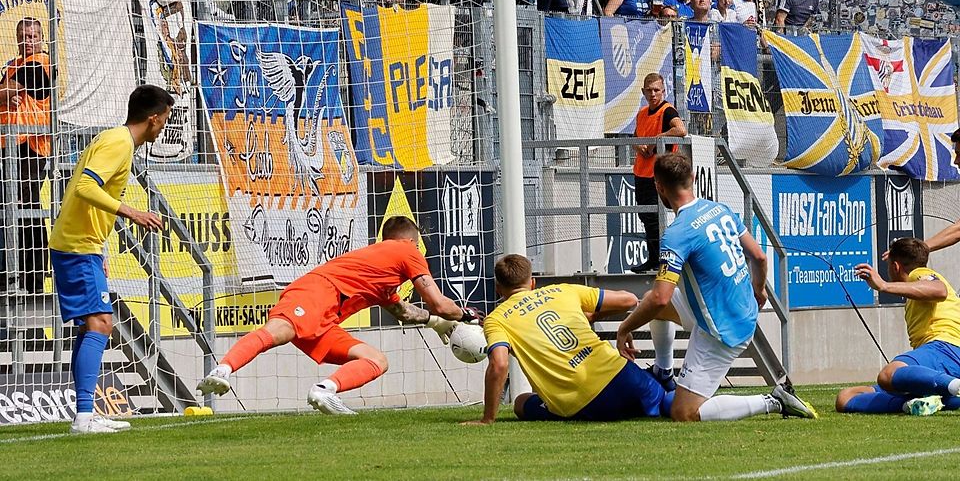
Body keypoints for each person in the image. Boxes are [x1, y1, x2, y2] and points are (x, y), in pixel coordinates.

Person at [197, 216, 482, 415]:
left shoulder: (381, 273)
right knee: (278, 332)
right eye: (417, 244)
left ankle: (324, 391)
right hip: (315, 293)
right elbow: (440, 303)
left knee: (376, 360)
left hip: (327, 319)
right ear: (411, 241)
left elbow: (403, 311)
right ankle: (222, 369)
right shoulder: (406, 250)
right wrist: (464, 314)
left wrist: (435, 323)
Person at [616, 153, 819, 422]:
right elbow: (758, 256)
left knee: (683, 413)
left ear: (659, 187)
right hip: (740, 307)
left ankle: (773, 400)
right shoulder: (720, 209)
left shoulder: (677, 233)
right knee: (648, 302)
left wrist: (624, 328)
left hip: (722, 329)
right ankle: (664, 372)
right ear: (694, 178)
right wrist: (759, 290)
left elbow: (662, 297)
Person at [49, 84, 173, 433]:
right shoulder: (118, 143)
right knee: (102, 323)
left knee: (91, 325)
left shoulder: (115, 140)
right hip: (76, 245)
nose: (163, 127)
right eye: (163, 120)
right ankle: (84, 417)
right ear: (152, 120)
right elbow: (84, 188)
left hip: (83, 244)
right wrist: (132, 212)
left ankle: (84, 413)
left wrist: (101, 248)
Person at [462, 254, 667, 424]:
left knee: (520, 402)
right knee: (668, 402)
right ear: (532, 282)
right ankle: (664, 375)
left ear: (498, 288)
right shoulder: (562, 289)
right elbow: (629, 299)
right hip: (622, 377)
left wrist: (487, 418)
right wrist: (595, 316)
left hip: (581, 403)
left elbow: (499, 365)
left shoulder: (496, 319)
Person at [836, 238, 960, 416]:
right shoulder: (914, 286)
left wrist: (884, 286)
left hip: (946, 348)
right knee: (845, 397)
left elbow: (939, 290)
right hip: (940, 363)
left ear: (895, 266)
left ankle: (955, 387)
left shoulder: (918, 274)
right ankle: (911, 405)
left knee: (888, 374)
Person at [0, 17, 52, 293]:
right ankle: (12, 272)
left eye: (33, 36)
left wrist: (6, 92)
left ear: (42, 38)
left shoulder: (40, 62)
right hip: (9, 144)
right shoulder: (12, 65)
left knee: (26, 207)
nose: (29, 41)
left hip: (30, 146)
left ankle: (32, 278)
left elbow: (8, 90)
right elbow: (5, 91)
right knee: (10, 209)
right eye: (24, 36)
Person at [630, 73, 686, 274]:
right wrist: (640, 147)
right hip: (641, 173)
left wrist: (657, 139)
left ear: (663, 91)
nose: (653, 94)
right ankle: (653, 259)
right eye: (649, 90)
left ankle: (661, 260)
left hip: (659, 175)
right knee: (646, 217)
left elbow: (681, 130)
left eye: (657, 90)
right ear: (644, 91)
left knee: (656, 218)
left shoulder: (667, 111)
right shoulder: (642, 113)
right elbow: (636, 136)